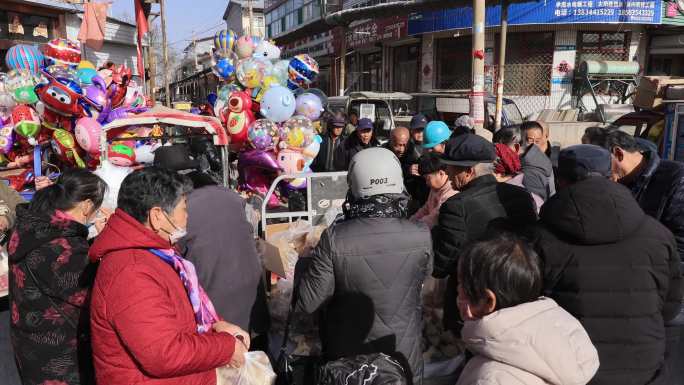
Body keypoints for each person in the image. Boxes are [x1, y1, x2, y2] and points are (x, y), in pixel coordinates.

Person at [535, 144, 684, 385]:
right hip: (644, 366)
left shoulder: (538, 237)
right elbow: (670, 305)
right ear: (611, 175)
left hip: (570, 367)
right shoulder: (658, 235)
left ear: (560, 181)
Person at [89, 167, 248, 385]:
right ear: (157, 217)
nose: (187, 217)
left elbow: (170, 320)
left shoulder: (153, 252)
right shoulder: (132, 271)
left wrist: (214, 327)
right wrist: (225, 348)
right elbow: (164, 353)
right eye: (184, 209)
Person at [297, 147, 432, 384]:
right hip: (403, 355)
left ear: (354, 186)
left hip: (350, 362)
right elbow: (425, 281)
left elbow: (309, 302)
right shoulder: (421, 233)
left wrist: (304, 266)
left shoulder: (335, 238)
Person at [584, 128, 684, 384]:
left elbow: (680, 243)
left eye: (599, 161)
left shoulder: (675, 179)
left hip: (665, 289)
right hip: (625, 292)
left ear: (618, 153)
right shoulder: (615, 183)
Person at [455, 233, 599, 385]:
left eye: (461, 284)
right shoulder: (558, 338)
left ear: (488, 300)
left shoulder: (491, 379)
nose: (457, 290)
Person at [9, 169, 108, 385]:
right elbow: (92, 295)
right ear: (86, 205)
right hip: (60, 354)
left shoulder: (32, 224)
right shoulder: (64, 247)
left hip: (30, 342)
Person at [432, 133, 537, 333]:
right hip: (518, 295)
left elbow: (442, 265)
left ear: (468, 172)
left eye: (450, 167)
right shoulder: (522, 196)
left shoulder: (457, 207)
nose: (445, 171)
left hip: (474, 303)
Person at [154, 146, 263, 333]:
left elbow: (169, 253)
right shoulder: (230, 195)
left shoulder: (181, 208)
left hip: (217, 306)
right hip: (251, 295)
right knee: (257, 356)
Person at [410, 152, 457, 229]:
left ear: (441, 173)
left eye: (428, 179)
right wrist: (412, 220)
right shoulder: (435, 188)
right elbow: (426, 208)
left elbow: (435, 217)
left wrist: (416, 227)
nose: (426, 183)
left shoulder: (451, 192)